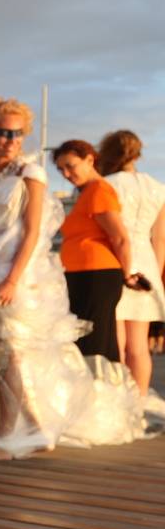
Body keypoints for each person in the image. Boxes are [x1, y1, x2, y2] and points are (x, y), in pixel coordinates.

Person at [0, 98, 144, 458]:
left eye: (17, 133)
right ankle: (37, 430)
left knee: (9, 353)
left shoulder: (31, 173)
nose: (10, 139)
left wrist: (12, 279)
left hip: (13, 273)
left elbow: (32, 231)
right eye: (1, 132)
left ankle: (6, 439)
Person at [53, 140, 141, 364]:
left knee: (95, 342)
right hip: (82, 275)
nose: (66, 173)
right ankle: (95, 391)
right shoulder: (87, 193)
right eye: (61, 169)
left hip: (96, 275)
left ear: (89, 160)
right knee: (86, 340)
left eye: (71, 166)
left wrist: (127, 274)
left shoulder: (99, 190)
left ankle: (103, 390)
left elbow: (120, 237)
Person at [96, 130, 165, 398]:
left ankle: (120, 403)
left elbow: (109, 233)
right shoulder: (158, 188)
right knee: (139, 346)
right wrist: (155, 275)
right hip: (147, 264)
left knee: (117, 343)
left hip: (114, 261)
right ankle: (139, 403)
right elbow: (159, 239)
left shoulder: (107, 185)